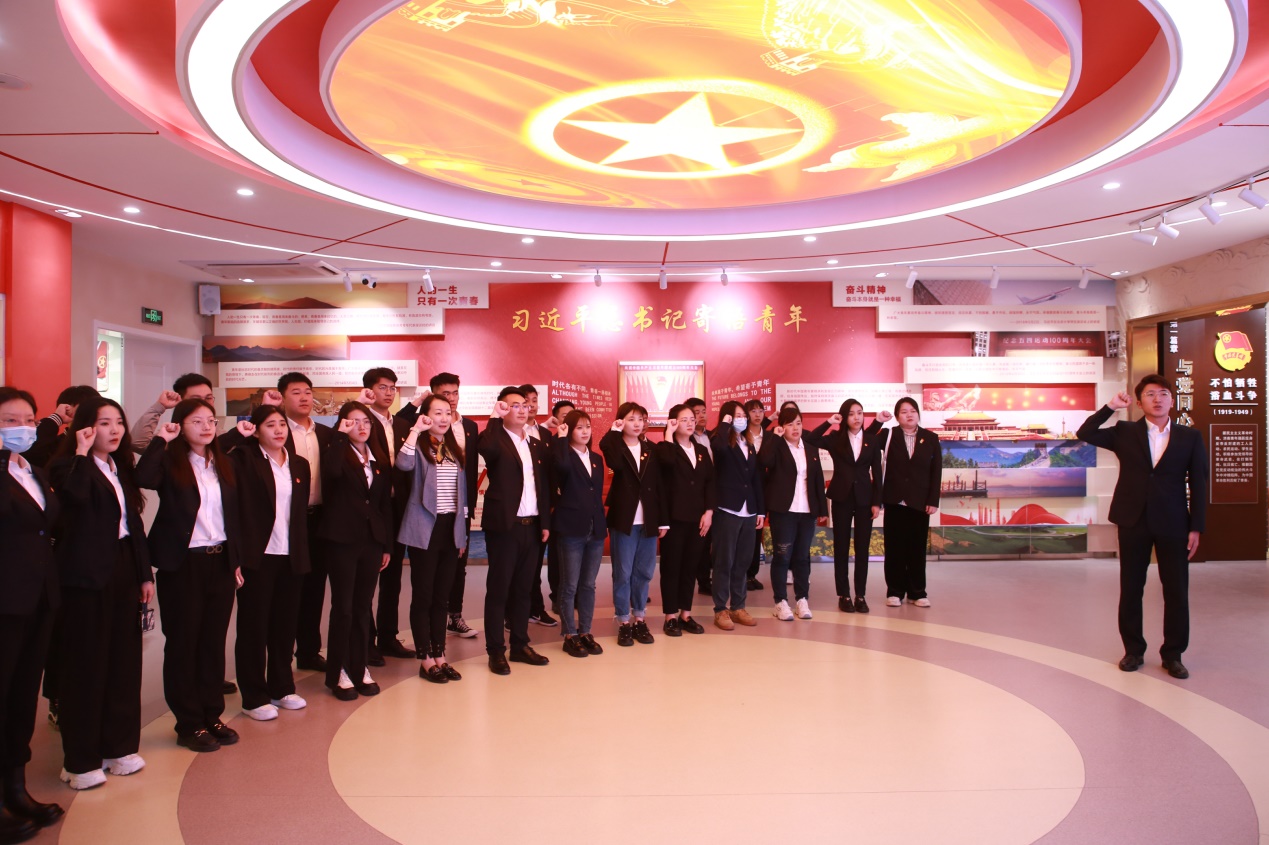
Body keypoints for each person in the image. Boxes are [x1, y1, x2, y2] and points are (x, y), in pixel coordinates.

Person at [47, 398, 152, 788]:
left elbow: (133, 524)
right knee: (85, 667)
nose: (114, 430)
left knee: (124, 663)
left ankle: (118, 747)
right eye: (104, 423)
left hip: (123, 569)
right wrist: (79, 451)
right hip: (83, 577)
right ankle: (80, 760)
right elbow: (72, 499)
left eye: (118, 422)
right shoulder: (67, 466)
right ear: (84, 428)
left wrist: (144, 574)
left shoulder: (119, 467)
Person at [1077, 375, 1208, 679]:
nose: (1157, 399)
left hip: (1174, 522)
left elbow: (1200, 484)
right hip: (1132, 520)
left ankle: (1173, 654)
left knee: (1176, 590)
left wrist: (1196, 527)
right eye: (1150, 394)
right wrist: (1111, 406)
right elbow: (1086, 432)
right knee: (1132, 588)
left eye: (1163, 394)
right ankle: (1133, 651)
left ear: (1172, 400)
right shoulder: (1125, 432)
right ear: (1139, 402)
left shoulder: (1190, 437)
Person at [135, 399, 242, 753]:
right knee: (184, 643)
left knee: (212, 642)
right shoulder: (170, 461)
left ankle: (212, 714)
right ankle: (188, 722)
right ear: (180, 426)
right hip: (183, 564)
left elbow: (233, 515)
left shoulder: (223, 463)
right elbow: (142, 478)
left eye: (211, 421)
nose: (207, 427)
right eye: (197, 421)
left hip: (220, 560)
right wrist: (160, 440)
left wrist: (236, 561)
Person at [0, 388, 64, 837]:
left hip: (38, 598)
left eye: (28, 419)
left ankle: (15, 789)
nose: (22, 428)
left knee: (22, 697)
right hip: (5, 600)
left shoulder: (33, 471)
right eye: (9, 420)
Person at [221, 405, 311, 721]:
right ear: (256, 430)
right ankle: (254, 696)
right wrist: (239, 436)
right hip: (257, 556)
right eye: (270, 425)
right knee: (254, 628)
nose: (278, 430)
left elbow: (299, 513)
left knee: (285, 626)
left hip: (291, 555)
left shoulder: (298, 464)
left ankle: (282, 687)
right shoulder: (244, 459)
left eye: (281, 424)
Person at [319, 402, 392, 700]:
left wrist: (386, 545)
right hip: (342, 541)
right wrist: (339, 435)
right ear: (342, 424)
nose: (361, 427)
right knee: (344, 608)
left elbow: (383, 505)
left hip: (371, 542)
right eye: (353, 422)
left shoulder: (377, 458)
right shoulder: (336, 452)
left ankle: (359, 666)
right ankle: (338, 671)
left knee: (363, 607)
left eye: (365, 421)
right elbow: (331, 474)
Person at [477, 388, 552, 675]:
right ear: (503, 409)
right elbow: (486, 448)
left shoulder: (535, 444)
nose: (522, 410)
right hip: (504, 528)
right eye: (514, 406)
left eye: (524, 405)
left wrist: (545, 523)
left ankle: (520, 644)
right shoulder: (496, 439)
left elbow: (542, 486)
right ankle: (496, 650)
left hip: (532, 527)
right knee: (499, 590)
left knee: (523, 589)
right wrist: (494, 417)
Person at [396, 396, 468, 684]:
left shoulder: (452, 448)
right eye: (437, 413)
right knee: (423, 596)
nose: (443, 418)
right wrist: (415, 430)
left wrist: (461, 534)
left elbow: (461, 495)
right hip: (424, 528)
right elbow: (402, 464)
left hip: (450, 529)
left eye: (447, 413)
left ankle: (440, 655)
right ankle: (425, 658)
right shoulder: (418, 445)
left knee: (442, 597)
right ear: (425, 416)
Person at [276, 373, 334, 673]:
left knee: (314, 588)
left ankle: (309, 651)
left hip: (320, 518)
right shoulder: (278, 432)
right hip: (288, 521)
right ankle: (282, 656)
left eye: (308, 392)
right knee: (289, 590)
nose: (304, 398)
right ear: (282, 398)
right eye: (296, 392)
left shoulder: (325, 433)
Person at [359, 367, 416, 664]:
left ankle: (388, 637)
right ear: (369, 390)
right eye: (383, 387)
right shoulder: (362, 421)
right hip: (372, 510)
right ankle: (366, 641)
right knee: (369, 577)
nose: (389, 392)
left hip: (399, 508)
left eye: (393, 387)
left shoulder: (404, 424)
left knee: (393, 577)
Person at [599, 402, 666, 647]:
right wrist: (613, 431)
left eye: (640, 419)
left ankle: (639, 618)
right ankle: (623, 621)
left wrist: (663, 521)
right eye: (630, 419)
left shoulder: (652, 449)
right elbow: (613, 461)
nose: (637, 424)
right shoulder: (616, 447)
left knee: (644, 572)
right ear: (621, 422)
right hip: (624, 520)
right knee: (623, 573)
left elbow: (659, 486)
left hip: (648, 520)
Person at [809, 401, 886, 613]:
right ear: (844, 417)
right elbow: (811, 438)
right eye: (851, 414)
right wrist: (829, 422)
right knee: (841, 547)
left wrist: (876, 502)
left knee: (862, 548)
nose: (857, 417)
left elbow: (877, 473)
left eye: (860, 413)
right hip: (841, 498)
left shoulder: (872, 439)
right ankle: (843, 594)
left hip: (865, 500)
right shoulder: (836, 438)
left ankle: (860, 595)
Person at [759, 406, 828, 621]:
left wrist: (822, 509)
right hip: (784, 511)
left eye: (798, 423)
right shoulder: (777, 446)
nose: (795, 428)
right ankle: (780, 601)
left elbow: (817, 480)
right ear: (782, 427)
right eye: (790, 424)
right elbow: (764, 462)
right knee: (782, 556)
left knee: (802, 557)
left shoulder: (810, 448)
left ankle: (802, 599)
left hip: (807, 511)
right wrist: (775, 438)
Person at [549, 410, 607, 658]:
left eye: (588, 427)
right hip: (570, 528)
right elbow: (561, 467)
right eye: (579, 427)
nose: (585, 432)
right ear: (569, 430)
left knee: (588, 584)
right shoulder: (563, 454)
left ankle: (585, 631)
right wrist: (561, 439)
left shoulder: (596, 458)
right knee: (569, 585)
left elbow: (595, 493)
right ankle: (569, 634)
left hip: (595, 529)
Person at [428, 373, 481, 641]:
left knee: (459, 564)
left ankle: (455, 616)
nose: (451, 399)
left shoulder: (469, 426)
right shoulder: (426, 425)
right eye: (444, 393)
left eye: (455, 393)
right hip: (431, 509)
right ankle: (430, 621)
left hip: (462, 507)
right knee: (431, 569)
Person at [655, 404, 713, 637]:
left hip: (698, 519)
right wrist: (669, 434)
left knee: (691, 567)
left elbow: (710, 482)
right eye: (684, 419)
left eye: (692, 419)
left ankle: (685, 614)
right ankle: (670, 616)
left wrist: (709, 512)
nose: (690, 423)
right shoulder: (665, 448)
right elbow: (667, 464)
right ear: (673, 422)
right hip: (674, 519)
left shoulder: (701, 449)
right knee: (672, 567)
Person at [878, 397, 941, 608]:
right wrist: (878, 421)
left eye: (912, 410)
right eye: (904, 412)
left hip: (919, 502)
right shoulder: (888, 435)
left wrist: (933, 500)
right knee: (894, 548)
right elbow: (865, 440)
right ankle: (894, 591)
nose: (909, 414)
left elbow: (936, 472)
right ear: (897, 416)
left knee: (917, 549)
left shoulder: (930, 438)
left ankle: (917, 592)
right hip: (894, 500)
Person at [709, 401, 765, 630]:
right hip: (727, 509)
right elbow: (719, 448)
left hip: (748, 510)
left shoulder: (748, 443)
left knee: (743, 561)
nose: (741, 419)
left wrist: (760, 509)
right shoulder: (720, 439)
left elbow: (755, 478)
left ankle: (738, 606)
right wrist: (725, 425)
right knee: (724, 561)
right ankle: (720, 609)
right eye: (736, 416)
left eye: (743, 415)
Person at [518, 383, 558, 628]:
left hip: (540, 508)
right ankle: (515, 613)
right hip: (518, 508)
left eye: (534, 400)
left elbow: (549, 473)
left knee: (534, 565)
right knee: (516, 569)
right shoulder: (512, 431)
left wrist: (550, 505)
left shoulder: (545, 434)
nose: (531, 406)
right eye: (526, 401)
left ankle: (536, 608)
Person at [129, 373, 214, 453]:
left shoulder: (217, 433)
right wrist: (160, 406)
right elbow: (138, 444)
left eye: (208, 398)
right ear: (180, 401)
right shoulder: (170, 437)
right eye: (196, 399)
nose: (204, 404)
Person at [22, 385, 98, 468]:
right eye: (86, 410)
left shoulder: (102, 443)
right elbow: (29, 452)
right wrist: (57, 417)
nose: (92, 416)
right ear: (68, 411)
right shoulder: (55, 446)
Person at [685, 397, 714, 595]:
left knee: (708, 539)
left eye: (704, 411)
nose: (701, 415)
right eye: (696, 412)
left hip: (711, 492)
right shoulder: (685, 438)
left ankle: (705, 580)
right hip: (693, 495)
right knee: (697, 540)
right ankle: (697, 579)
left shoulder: (713, 436)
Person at [742, 399, 768, 591]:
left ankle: (752, 574)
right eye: (753, 411)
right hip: (743, 489)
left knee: (757, 532)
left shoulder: (770, 436)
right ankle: (741, 574)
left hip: (763, 489)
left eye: (760, 410)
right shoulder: (741, 436)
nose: (757, 414)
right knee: (742, 533)